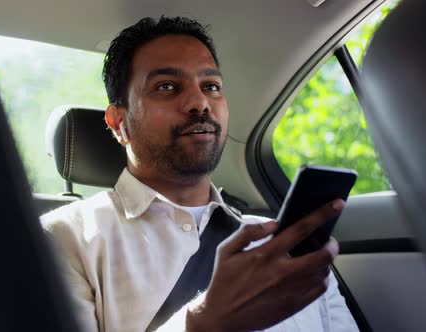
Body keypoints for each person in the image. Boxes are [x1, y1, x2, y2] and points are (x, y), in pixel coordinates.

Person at [41, 16, 359, 332]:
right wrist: (201, 323)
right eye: (166, 86)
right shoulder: (63, 238)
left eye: (211, 86)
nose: (199, 102)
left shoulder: (278, 245)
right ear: (119, 124)